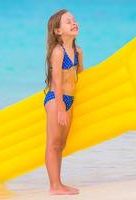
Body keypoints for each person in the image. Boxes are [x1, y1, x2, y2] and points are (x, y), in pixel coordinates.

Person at [43, 9, 84, 195]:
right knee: (53, 143)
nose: (74, 23)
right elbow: (57, 82)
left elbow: (81, 76)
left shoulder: (76, 51)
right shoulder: (58, 52)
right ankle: (54, 186)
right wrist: (60, 108)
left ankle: (59, 183)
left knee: (61, 144)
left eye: (74, 20)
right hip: (55, 99)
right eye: (68, 21)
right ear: (58, 31)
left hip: (69, 99)